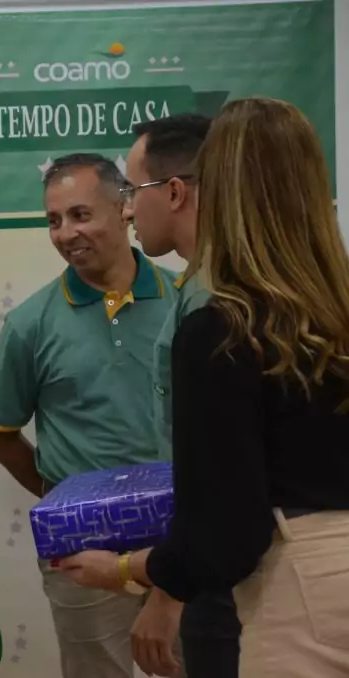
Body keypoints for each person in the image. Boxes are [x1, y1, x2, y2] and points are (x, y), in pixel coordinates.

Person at [57, 97, 349, 678]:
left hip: (298, 587)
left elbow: (230, 531)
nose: (129, 210)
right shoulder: (330, 306)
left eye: (133, 191)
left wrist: (131, 571)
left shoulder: (220, 325)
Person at [0, 153, 180, 678]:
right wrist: (63, 503)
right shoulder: (30, 324)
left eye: (80, 214)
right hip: (82, 554)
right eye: (53, 220)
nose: (66, 233)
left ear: (126, 209)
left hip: (182, 540)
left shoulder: (187, 303)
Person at [122, 114, 241, 678]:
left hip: (225, 583)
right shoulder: (198, 288)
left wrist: (170, 594)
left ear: (174, 192)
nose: (126, 209)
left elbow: (222, 478)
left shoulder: (214, 307)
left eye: (132, 191)